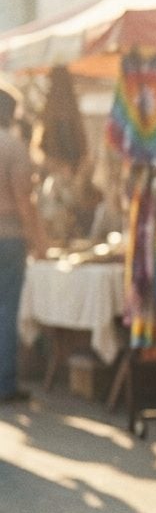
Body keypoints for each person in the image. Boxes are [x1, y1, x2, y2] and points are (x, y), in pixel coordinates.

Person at [0, 81, 48, 404]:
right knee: (7, 309)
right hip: (8, 237)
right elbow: (23, 200)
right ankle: (5, 383)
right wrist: (39, 239)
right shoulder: (13, 147)